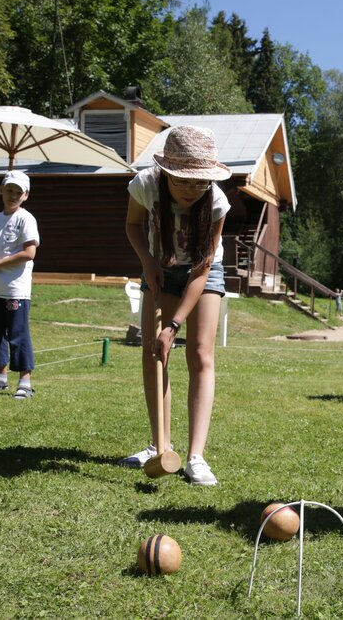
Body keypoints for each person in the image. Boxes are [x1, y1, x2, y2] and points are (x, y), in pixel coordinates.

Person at [119, 126, 231, 486]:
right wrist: (148, 262)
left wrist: (175, 324)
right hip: (159, 267)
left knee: (200, 354)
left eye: (199, 183)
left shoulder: (215, 202)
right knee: (156, 354)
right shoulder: (145, 185)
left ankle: (196, 456)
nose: (191, 189)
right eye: (184, 181)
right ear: (167, 171)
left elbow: (203, 267)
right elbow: (133, 226)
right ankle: (159, 445)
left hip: (202, 274)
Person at [0, 170, 40, 399]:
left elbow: (29, 253)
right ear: (1, 190)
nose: (13, 195)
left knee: (17, 334)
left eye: (18, 192)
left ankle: (25, 382)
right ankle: (0, 377)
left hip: (16, 289)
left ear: (25, 195)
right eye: (9, 190)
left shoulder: (26, 218)